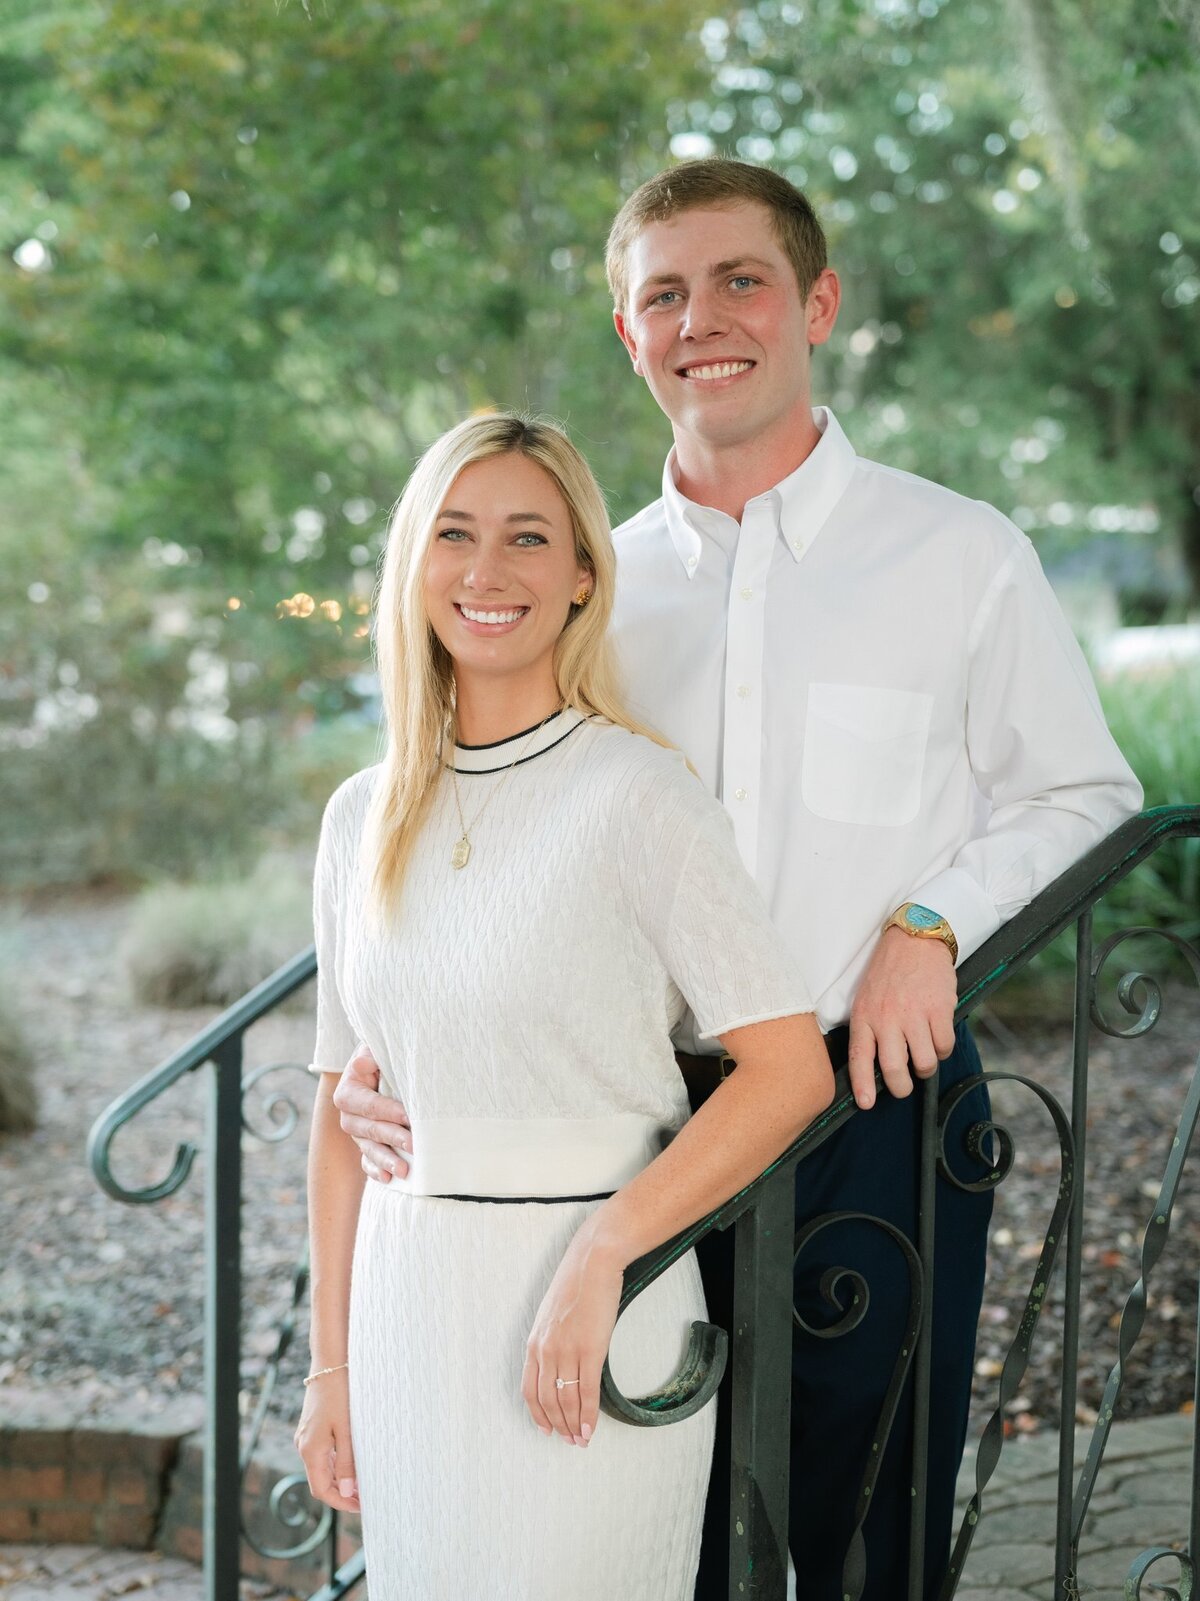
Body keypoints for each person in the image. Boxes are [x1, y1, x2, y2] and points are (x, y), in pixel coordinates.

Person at [331, 161, 1143, 1598]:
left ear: (816, 303)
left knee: (867, 1518)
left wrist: (931, 919)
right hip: (638, 1123)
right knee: (658, 1521)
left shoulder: (959, 556)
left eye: (739, 280)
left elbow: (1087, 794)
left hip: (873, 1104)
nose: (702, 318)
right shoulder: (583, 582)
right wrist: (404, 1057)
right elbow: (489, 823)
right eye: (663, 294)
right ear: (631, 332)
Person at [294, 410, 835, 1601]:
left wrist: (605, 1253)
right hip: (407, 1308)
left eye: (528, 537)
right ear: (414, 563)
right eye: (456, 533)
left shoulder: (639, 794)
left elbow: (791, 1070)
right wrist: (328, 1365)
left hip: (597, 1309)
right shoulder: (360, 814)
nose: (488, 573)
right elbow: (340, 1107)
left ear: (584, 574)